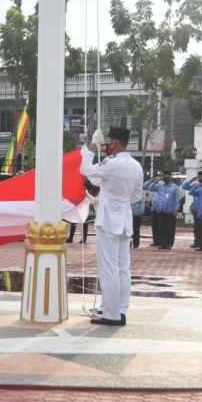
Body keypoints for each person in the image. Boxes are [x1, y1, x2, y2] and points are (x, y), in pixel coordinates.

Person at [81, 126, 143, 326]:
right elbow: (136, 195)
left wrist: (91, 148)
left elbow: (85, 170)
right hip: (125, 218)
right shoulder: (136, 166)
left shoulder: (112, 164)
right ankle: (120, 309)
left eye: (108, 142)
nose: (107, 145)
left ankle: (111, 313)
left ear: (115, 143)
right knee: (123, 268)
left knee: (109, 268)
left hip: (108, 219)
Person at [146, 174, 180, 249]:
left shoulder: (175, 187)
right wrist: (154, 181)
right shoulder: (160, 186)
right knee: (162, 228)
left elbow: (177, 200)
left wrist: (176, 210)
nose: (165, 177)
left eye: (167, 176)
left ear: (170, 177)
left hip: (170, 212)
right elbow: (149, 187)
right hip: (161, 211)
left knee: (170, 229)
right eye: (164, 176)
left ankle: (169, 244)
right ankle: (163, 244)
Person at [143, 175, 163, 246]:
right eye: (155, 177)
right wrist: (152, 180)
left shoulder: (162, 185)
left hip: (160, 209)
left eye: (158, 177)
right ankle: (155, 241)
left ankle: (161, 241)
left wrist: (159, 181)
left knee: (160, 226)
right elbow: (145, 185)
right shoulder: (153, 186)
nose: (157, 179)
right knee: (154, 226)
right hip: (153, 208)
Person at [190, 170, 202, 248]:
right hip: (196, 210)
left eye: (201, 176)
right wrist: (192, 181)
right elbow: (186, 187)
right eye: (199, 176)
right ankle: (196, 242)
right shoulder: (196, 185)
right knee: (196, 228)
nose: (200, 178)